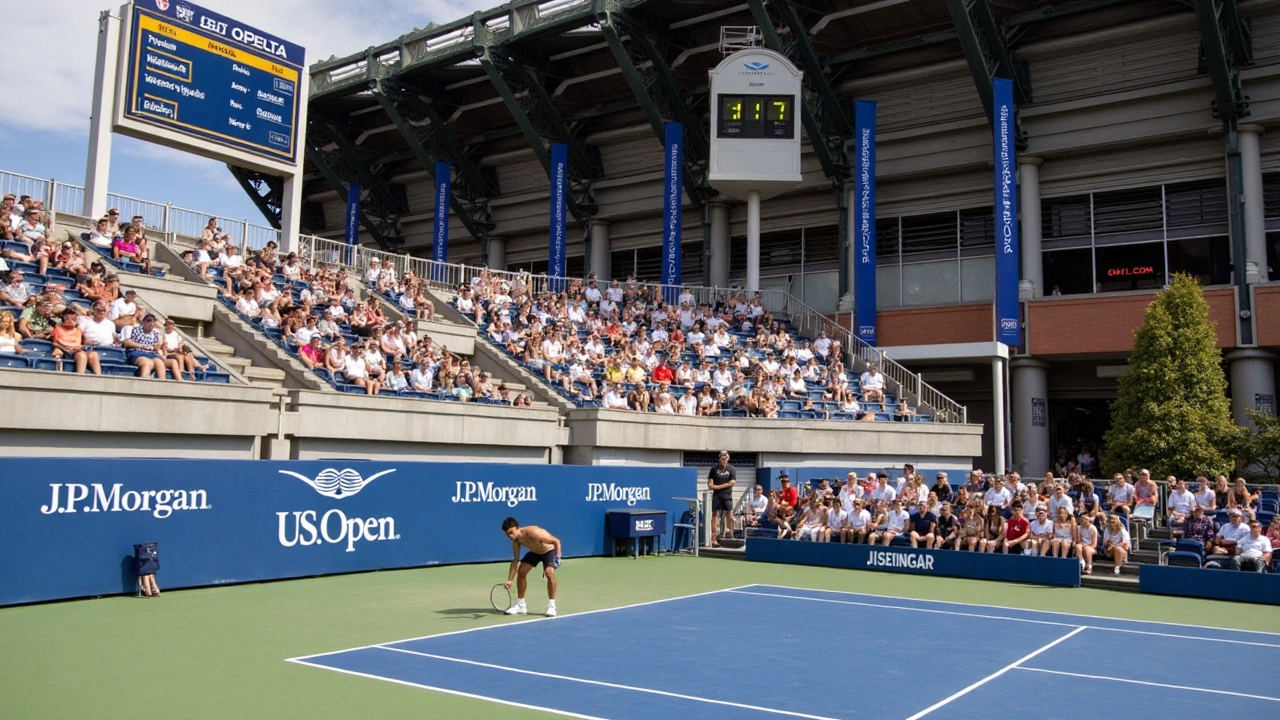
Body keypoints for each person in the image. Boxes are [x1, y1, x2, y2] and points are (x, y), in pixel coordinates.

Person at [501, 517, 562, 617]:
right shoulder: (516, 541)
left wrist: (558, 557)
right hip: (535, 552)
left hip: (549, 551)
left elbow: (556, 541)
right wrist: (510, 580)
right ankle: (521, 605)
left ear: (517, 527)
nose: (510, 536)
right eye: (508, 535)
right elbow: (515, 560)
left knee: (549, 573)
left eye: (511, 532)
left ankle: (552, 606)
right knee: (521, 572)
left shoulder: (534, 532)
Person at [706, 451, 737, 546]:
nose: (724, 459)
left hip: (727, 495)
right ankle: (713, 538)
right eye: (723, 457)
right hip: (717, 496)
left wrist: (718, 487)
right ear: (719, 458)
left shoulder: (731, 469)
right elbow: (710, 485)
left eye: (726, 457)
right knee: (715, 515)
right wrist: (719, 487)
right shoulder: (714, 469)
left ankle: (729, 534)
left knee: (730, 514)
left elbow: (732, 482)